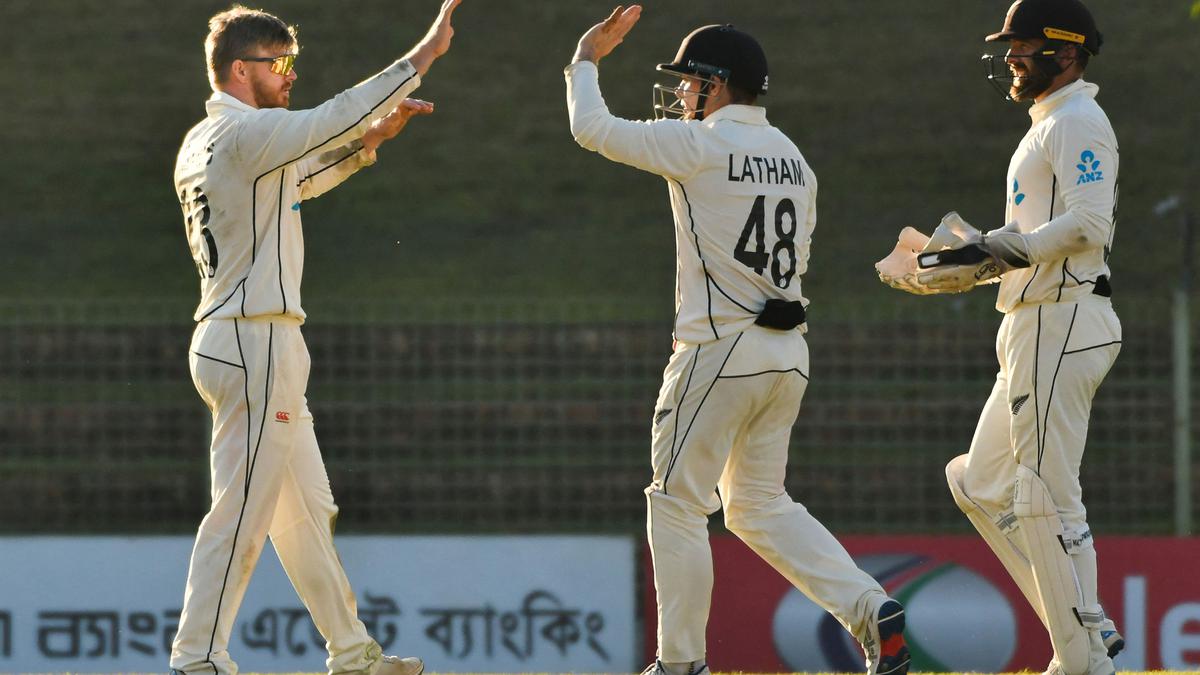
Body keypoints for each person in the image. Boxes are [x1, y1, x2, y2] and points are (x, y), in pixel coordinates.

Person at [565, 7, 910, 675]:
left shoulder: (700, 144)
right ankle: (872, 609)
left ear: (717, 85)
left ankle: (680, 663)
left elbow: (591, 129)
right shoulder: (796, 159)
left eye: (690, 82)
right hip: (786, 351)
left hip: (718, 348)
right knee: (757, 505)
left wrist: (583, 59)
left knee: (676, 501)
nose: (682, 95)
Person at [169, 2, 463, 674]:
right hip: (255, 339)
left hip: (239, 336)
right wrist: (422, 58)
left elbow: (297, 180)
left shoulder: (207, 140)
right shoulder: (250, 135)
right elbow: (328, 120)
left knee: (304, 510)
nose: (291, 76)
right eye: (280, 65)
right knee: (241, 511)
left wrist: (371, 142)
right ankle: (197, 658)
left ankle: (353, 652)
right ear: (241, 70)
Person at [879, 1, 1124, 673]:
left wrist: (994, 249)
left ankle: (1085, 658)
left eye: (1026, 45)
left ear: (1067, 53)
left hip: (1065, 319)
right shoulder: (1050, 124)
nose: (1012, 57)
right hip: (1034, 322)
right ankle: (1085, 627)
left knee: (1045, 494)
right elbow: (1034, 244)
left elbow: (1088, 226)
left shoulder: (1078, 120)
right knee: (979, 480)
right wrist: (959, 264)